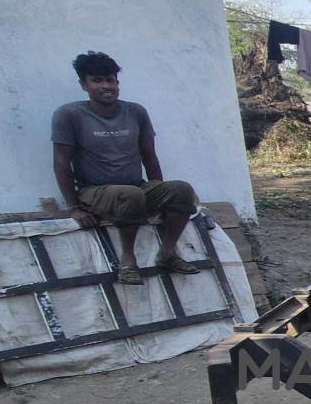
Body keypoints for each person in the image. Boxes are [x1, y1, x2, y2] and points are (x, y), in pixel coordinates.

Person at [52, 51, 201, 285]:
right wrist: (74, 208)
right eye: (97, 80)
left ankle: (167, 253)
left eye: (110, 80)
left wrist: (159, 191)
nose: (105, 86)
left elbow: (149, 155)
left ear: (117, 83)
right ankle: (128, 261)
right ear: (84, 84)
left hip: (136, 187)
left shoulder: (135, 112)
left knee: (182, 189)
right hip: (94, 191)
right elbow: (61, 162)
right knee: (129, 194)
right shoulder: (69, 114)